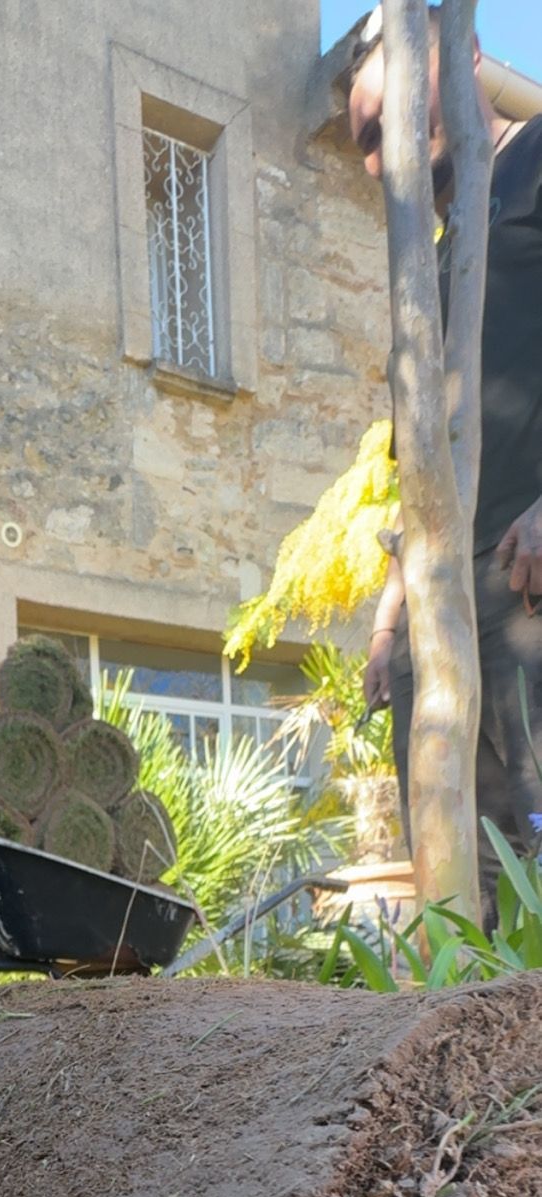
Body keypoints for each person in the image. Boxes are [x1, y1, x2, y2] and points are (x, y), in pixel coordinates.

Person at [348, 5, 542, 915]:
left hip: (527, 590)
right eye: (360, 144)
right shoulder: (429, 273)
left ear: (461, 58)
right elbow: (412, 481)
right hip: (439, 623)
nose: (375, 156)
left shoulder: (541, 161)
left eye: (382, 123)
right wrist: (390, 630)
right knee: (466, 898)